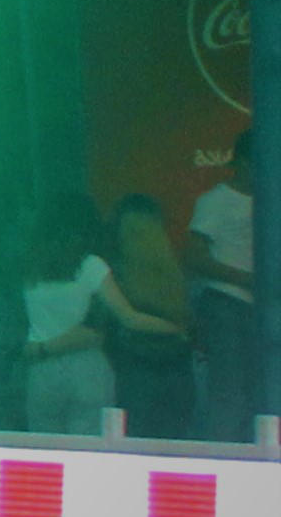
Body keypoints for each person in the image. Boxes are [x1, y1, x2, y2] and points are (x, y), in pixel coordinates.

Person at [16, 194, 118, 435]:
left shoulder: (32, 267)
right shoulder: (93, 266)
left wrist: (40, 349)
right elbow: (98, 328)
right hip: (88, 367)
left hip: (42, 369)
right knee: (88, 453)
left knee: (45, 452)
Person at [106, 193, 199, 437]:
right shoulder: (178, 274)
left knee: (138, 444)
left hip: (137, 368)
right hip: (174, 366)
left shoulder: (115, 276)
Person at [191, 127, 257, 434]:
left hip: (265, 309)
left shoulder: (271, 199)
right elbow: (194, 258)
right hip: (226, 305)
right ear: (244, 161)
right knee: (229, 393)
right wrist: (247, 279)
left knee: (263, 392)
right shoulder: (215, 200)